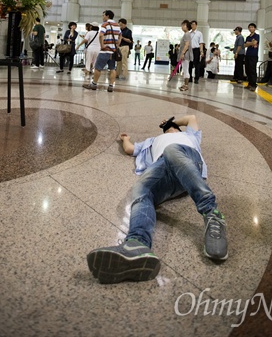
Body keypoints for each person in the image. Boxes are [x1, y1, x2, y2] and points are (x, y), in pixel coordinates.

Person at [87, 114, 228, 284]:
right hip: (163, 171)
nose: (169, 129)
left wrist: (172, 122)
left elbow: (191, 118)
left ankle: (212, 214)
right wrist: (125, 139)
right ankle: (137, 244)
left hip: (188, 160)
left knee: (171, 150)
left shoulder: (191, 136)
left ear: (177, 128)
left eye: (172, 127)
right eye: (167, 128)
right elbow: (130, 149)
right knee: (140, 190)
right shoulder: (152, 141)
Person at [83, 10, 121, 92]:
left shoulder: (105, 24)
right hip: (113, 51)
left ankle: (94, 84)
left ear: (107, 16)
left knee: (98, 68)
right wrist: (117, 44)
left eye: (103, 15)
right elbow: (120, 35)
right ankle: (111, 86)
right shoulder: (117, 25)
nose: (102, 17)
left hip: (105, 51)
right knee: (112, 69)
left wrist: (102, 46)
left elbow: (101, 35)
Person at [244, 23, 259, 91]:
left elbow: (254, 43)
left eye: (252, 27)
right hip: (248, 55)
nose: (251, 28)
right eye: (249, 27)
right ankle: (249, 83)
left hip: (253, 55)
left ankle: (253, 84)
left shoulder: (257, 35)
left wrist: (249, 43)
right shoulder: (248, 37)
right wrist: (251, 43)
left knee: (252, 70)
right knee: (247, 70)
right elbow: (245, 45)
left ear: (255, 28)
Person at [178, 20, 193, 92]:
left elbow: (187, 44)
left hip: (186, 55)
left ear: (186, 26)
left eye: (183, 25)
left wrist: (183, 53)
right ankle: (185, 84)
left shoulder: (187, 34)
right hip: (185, 54)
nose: (182, 27)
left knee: (185, 69)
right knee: (185, 69)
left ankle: (186, 85)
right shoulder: (186, 34)